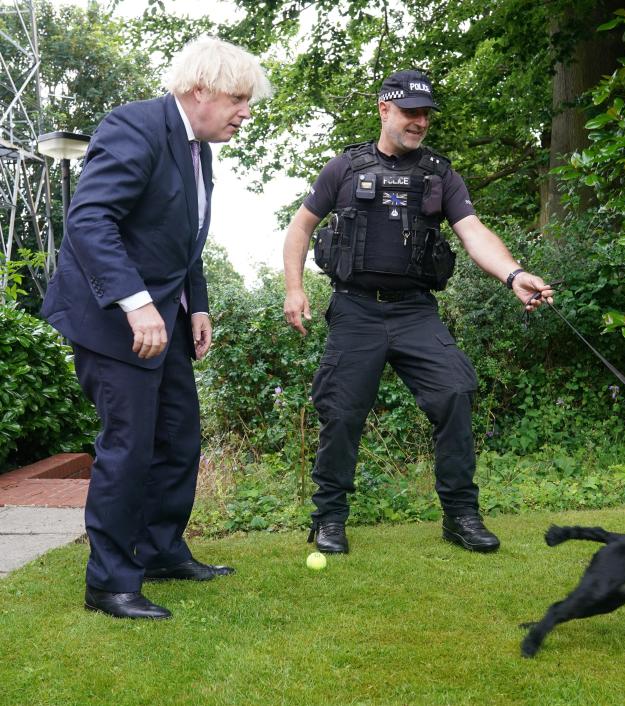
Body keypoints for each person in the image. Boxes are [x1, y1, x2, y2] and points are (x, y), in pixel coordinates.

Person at [41, 37, 271, 619]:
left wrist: (198, 304)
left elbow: (182, 237)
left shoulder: (199, 149)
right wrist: (136, 303)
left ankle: (161, 551)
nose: (246, 112)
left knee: (177, 437)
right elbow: (90, 219)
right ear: (201, 90)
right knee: (128, 447)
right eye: (239, 98)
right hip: (112, 321)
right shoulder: (135, 127)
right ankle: (111, 584)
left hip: (163, 317)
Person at [283, 69, 554, 555]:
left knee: (454, 392)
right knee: (341, 413)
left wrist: (514, 275)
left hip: (415, 312)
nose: (420, 121)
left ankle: (461, 517)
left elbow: (473, 232)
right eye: (411, 111)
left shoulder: (440, 174)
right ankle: (329, 520)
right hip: (355, 309)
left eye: (426, 113)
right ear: (384, 109)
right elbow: (300, 228)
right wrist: (294, 288)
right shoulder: (343, 169)